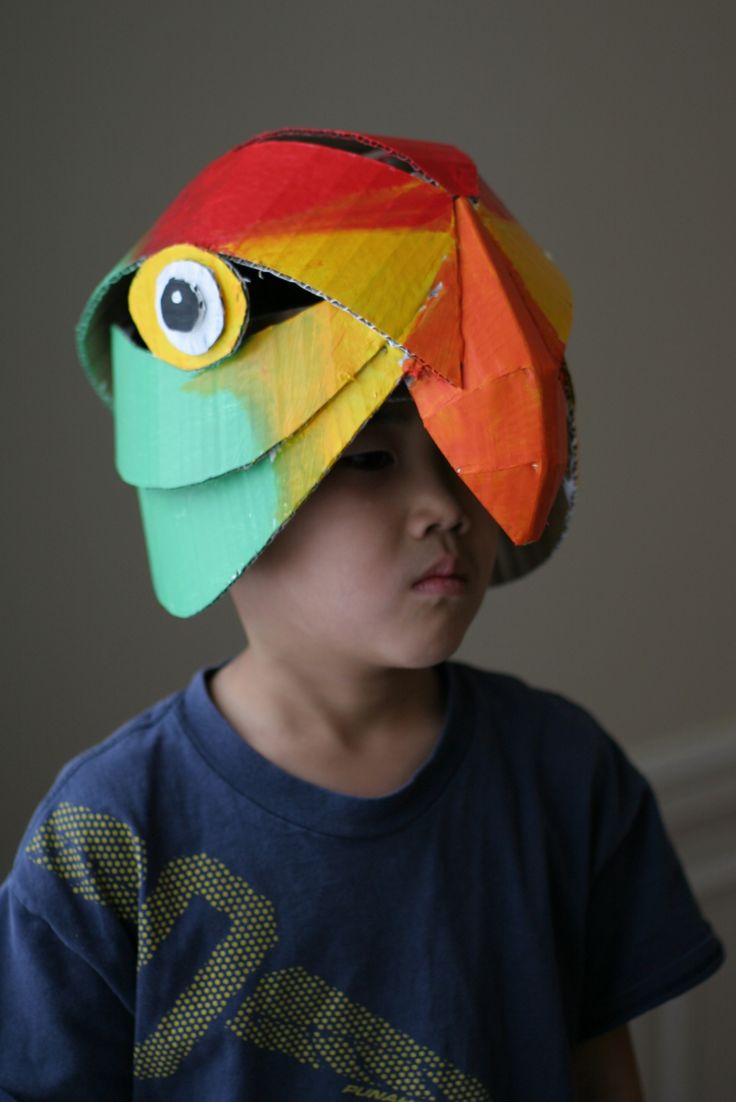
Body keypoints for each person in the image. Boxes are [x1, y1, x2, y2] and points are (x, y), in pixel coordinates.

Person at [0, 129, 724, 1101]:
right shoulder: (104, 839)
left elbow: (602, 1071)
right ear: (223, 478)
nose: (446, 507)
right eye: (369, 457)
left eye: (463, 449)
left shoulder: (565, 776)